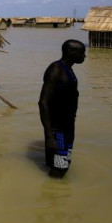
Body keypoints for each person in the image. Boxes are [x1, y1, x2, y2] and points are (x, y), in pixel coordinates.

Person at [38, 39, 86, 177]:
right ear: (70, 52)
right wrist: (49, 136)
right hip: (57, 129)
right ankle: (54, 196)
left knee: (64, 164)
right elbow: (43, 102)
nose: (84, 56)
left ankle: (56, 194)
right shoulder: (56, 69)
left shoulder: (68, 70)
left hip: (67, 127)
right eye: (82, 53)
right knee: (58, 168)